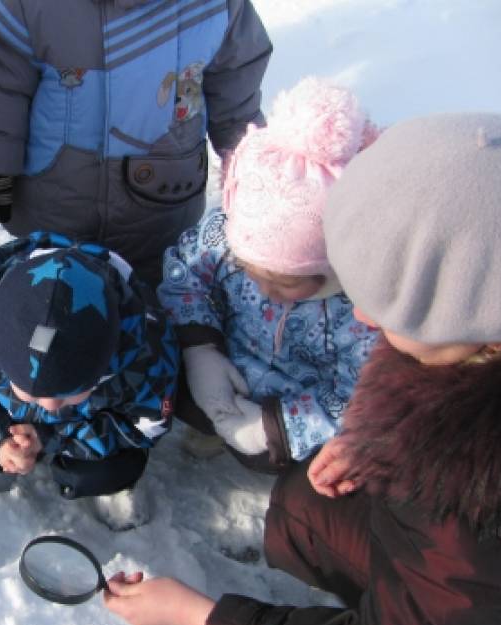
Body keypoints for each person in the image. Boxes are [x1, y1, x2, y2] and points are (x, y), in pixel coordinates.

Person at [103, 112, 501, 625]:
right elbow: (192, 271)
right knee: (307, 500)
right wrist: (203, 348)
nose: (366, 314)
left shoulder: (484, 506)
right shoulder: (467, 348)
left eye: (389, 301)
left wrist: (198, 616)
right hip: (453, 586)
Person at [0, 0, 272, 289]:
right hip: (58, 207)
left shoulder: (215, 6)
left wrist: (254, 173)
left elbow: (237, 92)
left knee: (159, 310)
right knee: (52, 313)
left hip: (165, 202)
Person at [158, 78, 379, 473]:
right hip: (226, 368)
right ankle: (212, 418)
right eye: (249, 269)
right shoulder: (230, 234)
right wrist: (199, 348)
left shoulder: (364, 310)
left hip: (290, 403)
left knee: (266, 454)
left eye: (285, 283)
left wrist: (276, 427)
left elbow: (361, 397)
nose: (262, 287)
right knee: (169, 377)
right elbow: (186, 273)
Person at [0, 233, 178, 529]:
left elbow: (146, 426)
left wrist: (55, 437)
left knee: (109, 470)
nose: (50, 407)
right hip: (3, 414)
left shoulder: (147, 350)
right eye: (27, 391)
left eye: (73, 391)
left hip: (89, 425)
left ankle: (98, 482)